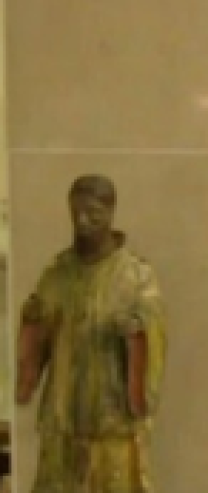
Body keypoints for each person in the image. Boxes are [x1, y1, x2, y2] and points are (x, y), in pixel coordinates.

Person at [15, 175, 166, 493]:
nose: (83, 222)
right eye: (77, 213)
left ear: (110, 213)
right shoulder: (58, 273)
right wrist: (33, 321)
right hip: (63, 414)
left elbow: (154, 329)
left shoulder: (135, 276)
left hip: (112, 419)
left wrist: (137, 329)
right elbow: (38, 331)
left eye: (93, 214)